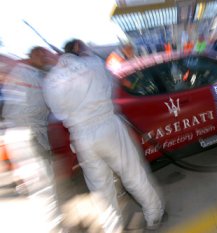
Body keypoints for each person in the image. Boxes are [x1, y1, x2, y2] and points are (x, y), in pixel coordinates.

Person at [43, 39, 165, 232]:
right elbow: (111, 83)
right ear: (77, 49)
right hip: (106, 125)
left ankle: (112, 227)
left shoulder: (51, 80)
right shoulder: (93, 63)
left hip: (81, 136)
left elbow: (58, 112)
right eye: (82, 46)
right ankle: (154, 214)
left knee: (100, 188)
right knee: (132, 173)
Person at [2, 46, 64, 232]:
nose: (44, 58)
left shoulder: (36, 75)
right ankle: (53, 228)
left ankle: (54, 224)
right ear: (33, 55)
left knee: (44, 184)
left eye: (45, 55)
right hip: (25, 134)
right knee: (43, 187)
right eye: (41, 54)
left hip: (31, 134)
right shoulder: (23, 73)